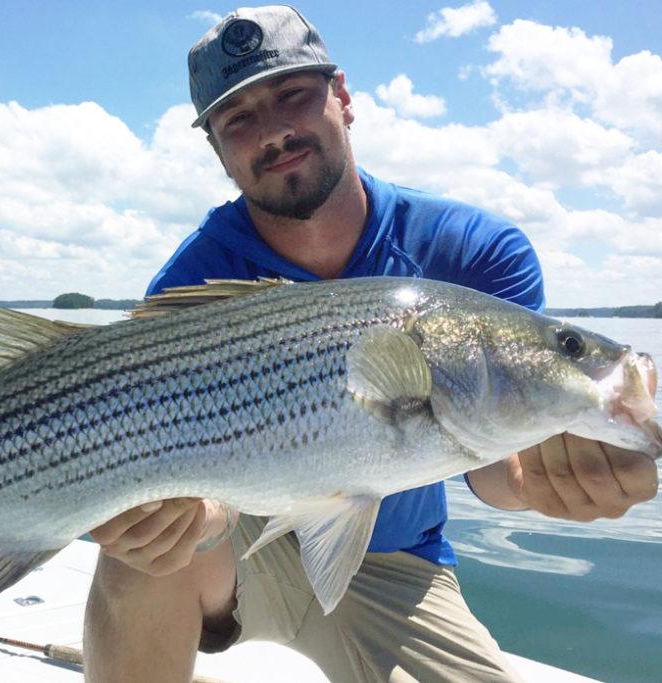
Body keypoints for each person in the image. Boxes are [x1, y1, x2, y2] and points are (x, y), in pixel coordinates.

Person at [82, 6, 659, 682]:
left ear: (344, 98)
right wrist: (193, 511)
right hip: (235, 546)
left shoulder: (476, 252)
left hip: (395, 567)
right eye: (237, 119)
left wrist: (542, 479)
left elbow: (496, 465)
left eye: (292, 93)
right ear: (217, 150)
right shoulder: (190, 281)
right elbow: (168, 457)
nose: (273, 130)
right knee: (143, 554)